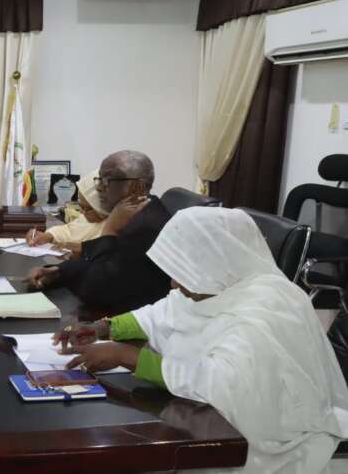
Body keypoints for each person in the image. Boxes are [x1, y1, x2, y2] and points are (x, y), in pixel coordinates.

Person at [58, 206, 348, 473]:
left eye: (181, 272)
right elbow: (166, 312)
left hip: (257, 443)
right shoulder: (215, 285)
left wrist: (127, 357)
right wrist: (103, 328)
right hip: (193, 417)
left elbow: (219, 387)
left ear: (214, 261)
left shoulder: (266, 311)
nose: (174, 283)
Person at [27, 150, 170, 316]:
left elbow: (94, 290)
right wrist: (58, 272)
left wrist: (109, 230)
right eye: (99, 179)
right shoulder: (133, 213)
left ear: (137, 187)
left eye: (107, 181)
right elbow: (96, 260)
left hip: (127, 320)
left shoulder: (146, 226)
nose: (99, 187)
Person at [25, 169, 109, 248]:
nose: (81, 212)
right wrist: (48, 236)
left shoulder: (112, 229)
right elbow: (69, 231)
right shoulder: (89, 218)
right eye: (80, 206)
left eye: (86, 208)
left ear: (102, 209)